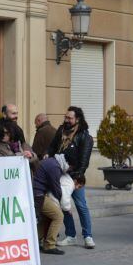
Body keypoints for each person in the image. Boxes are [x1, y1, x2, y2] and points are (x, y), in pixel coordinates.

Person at [47, 106, 95, 249]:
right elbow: (52, 147)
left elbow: (84, 159)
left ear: (77, 119)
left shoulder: (84, 136)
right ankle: (70, 235)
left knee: (81, 205)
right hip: (60, 174)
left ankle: (88, 236)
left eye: (70, 118)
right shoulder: (61, 130)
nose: (66, 120)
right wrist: (47, 154)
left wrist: (77, 176)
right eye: (66, 117)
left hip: (75, 176)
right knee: (63, 205)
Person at [32, 154, 73, 255]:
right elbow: (56, 188)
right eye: (71, 167)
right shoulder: (55, 167)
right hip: (39, 195)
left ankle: (33, 241)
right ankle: (49, 245)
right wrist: (63, 205)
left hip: (37, 193)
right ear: (68, 164)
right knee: (58, 216)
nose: (69, 170)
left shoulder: (52, 161)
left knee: (46, 218)